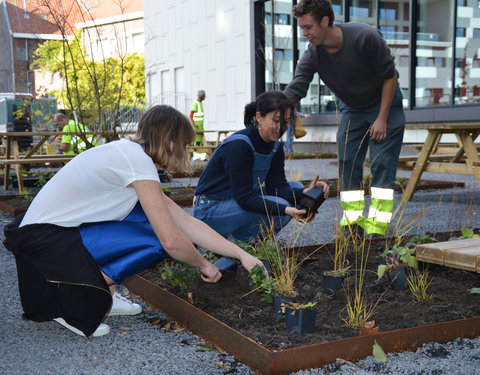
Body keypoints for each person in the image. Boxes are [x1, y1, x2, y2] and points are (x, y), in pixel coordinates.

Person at [4, 105, 265, 338]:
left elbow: (187, 223)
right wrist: (205, 265)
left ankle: (105, 293)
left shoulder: (129, 156)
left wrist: (242, 255)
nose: (185, 151)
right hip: (46, 245)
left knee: (151, 220)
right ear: (171, 141)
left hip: (50, 239)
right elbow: (172, 241)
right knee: (160, 239)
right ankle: (73, 300)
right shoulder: (137, 164)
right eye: (185, 144)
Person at [284, 0, 405, 236]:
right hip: (352, 108)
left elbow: (390, 77)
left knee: (381, 164)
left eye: (308, 27)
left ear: (325, 21)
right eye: (302, 29)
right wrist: (271, 109)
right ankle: (352, 223)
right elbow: (296, 88)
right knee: (348, 163)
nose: (305, 33)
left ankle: (378, 228)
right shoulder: (314, 54)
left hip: (384, 104)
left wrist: (381, 118)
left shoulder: (364, 37)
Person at [193, 91, 329, 269]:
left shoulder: (275, 147)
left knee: (294, 188)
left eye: (286, 121)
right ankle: (233, 250)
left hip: (237, 203)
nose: (280, 127)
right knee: (280, 206)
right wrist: (286, 209)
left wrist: (305, 193)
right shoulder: (239, 145)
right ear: (259, 117)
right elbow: (245, 198)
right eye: (276, 120)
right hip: (209, 212)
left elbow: (277, 187)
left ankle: (243, 247)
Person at [190, 90, 207, 161]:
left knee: (200, 141)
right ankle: (196, 156)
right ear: (201, 96)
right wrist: (194, 125)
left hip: (200, 126)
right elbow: (191, 115)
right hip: (197, 127)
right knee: (196, 141)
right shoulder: (196, 103)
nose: (205, 96)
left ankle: (200, 156)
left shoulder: (200, 103)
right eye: (204, 95)